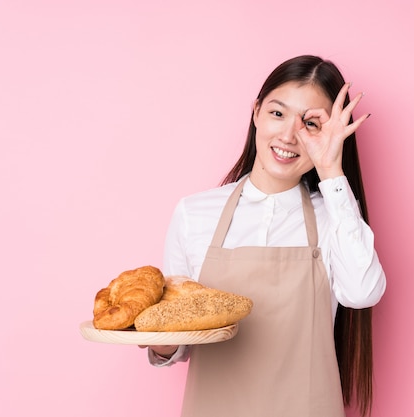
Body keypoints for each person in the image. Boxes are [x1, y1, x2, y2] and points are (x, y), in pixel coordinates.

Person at [144, 54, 386, 417]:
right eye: (278, 113)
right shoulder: (195, 214)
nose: (289, 135)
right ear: (256, 112)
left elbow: (363, 292)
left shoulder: (334, 215)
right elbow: (180, 336)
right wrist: (162, 345)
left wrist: (332, 173)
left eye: (311, 124)